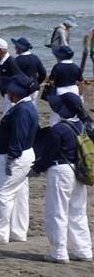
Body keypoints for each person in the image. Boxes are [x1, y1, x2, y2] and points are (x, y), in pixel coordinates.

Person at [32, 93, 91, 263]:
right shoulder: (82, 125)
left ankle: (59, 252)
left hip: (61, 171)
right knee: (78, 211)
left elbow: (48, 155)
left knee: (57, 212)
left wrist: (36, 169)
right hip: (79, 171)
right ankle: (83, 250)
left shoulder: (58, 129)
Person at [0, 76, 38, 245]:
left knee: (3, 194)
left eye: (10, 90)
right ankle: (18, 231)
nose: (7, 93)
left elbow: (18, 136)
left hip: (14, 157)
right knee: (20, 194)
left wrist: (11, 158)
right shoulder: (26, 106)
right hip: (23, 156)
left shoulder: (21, 110)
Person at [45, 46, 83, 125]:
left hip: (60, 90)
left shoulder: (57, 67)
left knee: (56, 111)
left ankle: (54, 127)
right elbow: (81, 81)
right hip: (73, 89)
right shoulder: (75, 67)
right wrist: (80, 94)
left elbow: (52, 81)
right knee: (73, 112)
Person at [11, 37, 46, 104]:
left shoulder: (17, 60)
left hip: (22, 89)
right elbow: (43, 73)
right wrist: (37, 82)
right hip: (34, 89)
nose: (14, 48)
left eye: (16, 46)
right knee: (32, 108)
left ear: (20, 48)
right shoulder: (35, 58)